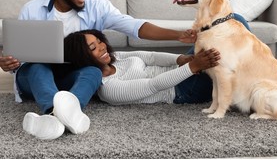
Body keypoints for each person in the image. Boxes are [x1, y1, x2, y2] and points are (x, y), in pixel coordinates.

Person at [0, 0, 197, 140]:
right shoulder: (32, 9)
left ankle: (53, 120)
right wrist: (10, 62)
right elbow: (20, 55)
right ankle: (55, 112)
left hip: (73, 75)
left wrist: (176, 35)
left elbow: (135, 26)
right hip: (37, 77)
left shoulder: (97, 6)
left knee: (93, 71)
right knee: (37, 67)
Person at [64, 29, 220, 106]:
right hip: (182, 89)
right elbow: (154, 85)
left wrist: (181, 59)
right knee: (221, 46)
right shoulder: (109, 89)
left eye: (99, 41)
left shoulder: (114, 57)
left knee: (227, 24)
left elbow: (150, 56)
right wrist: (193, 67)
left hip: (184, 69)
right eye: (93, 47)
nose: (102, 46)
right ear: (82, 58)